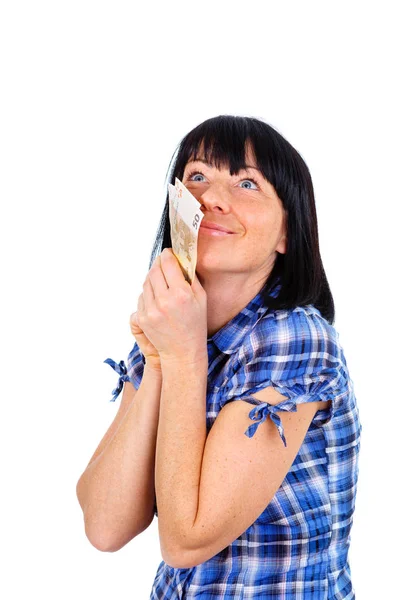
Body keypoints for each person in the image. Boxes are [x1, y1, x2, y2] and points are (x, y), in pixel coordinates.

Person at [76, 115, 362, 599]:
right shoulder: (175, 330)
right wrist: (161, 357)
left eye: (247, 182)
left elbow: (187, 541)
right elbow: (105, 526)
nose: (212, 198)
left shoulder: (297, 339)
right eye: (197, 177)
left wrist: (183, 356)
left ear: (286, 236)